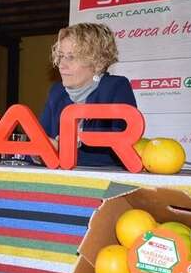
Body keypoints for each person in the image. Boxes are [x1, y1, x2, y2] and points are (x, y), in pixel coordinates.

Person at [40, 23, 137, 167]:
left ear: (98, 63)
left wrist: (64, 151)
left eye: (71, 57)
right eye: (61, 56)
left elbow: (120, 154)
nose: (61, 65)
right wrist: (38, 154)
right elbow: (38, 142)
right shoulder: (57, 92)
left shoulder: (115, 87)